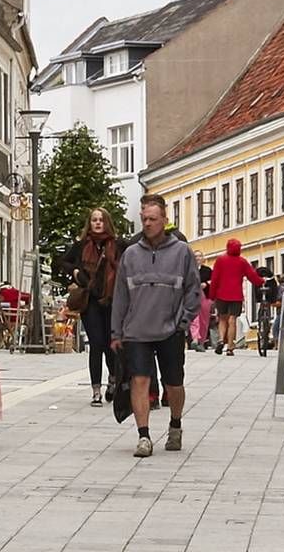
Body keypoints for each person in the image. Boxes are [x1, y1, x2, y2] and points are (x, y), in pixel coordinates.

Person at [111, 194, 199, 457]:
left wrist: (183, 321)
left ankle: (175, 424)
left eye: (152, 219)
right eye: (144, 219)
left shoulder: (181, 252)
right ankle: (144, 436)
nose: (147, 224)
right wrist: (117, 331)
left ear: (164, 220)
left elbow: (193, 290)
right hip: (137, 330)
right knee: (140, 380)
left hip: (170, 329)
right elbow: (120, 296)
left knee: (173, 382)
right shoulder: (130, 254)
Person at [57, 207, 121, 406]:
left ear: (107, 222)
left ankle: (113, 380)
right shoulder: (82, 245)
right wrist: (76, 273)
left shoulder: (117, 245)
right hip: (90, 300)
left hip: (112, 299)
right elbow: (62, 262)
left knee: (111, 344)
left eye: (101, 219)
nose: (98, 223)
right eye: (94, 220)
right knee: (96, 343)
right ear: (90, 223)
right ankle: (95, 390)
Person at [208, 238, 264, 358]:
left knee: (222, 319)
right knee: (233, 320)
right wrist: (261, 281)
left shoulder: (220, 260)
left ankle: (221, 340)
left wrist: (211, 295)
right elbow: (252, 276)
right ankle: (230, 347)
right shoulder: (242, 262)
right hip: (236, 295)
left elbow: (215, 279)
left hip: (221, 294)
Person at [254, 265, 282, 356]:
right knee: (268, 301)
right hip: (270, 287)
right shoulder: (272, 280)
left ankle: (261, 321)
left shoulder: (257, 276)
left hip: (259, 284)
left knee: (261, 300)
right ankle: (265, 320)